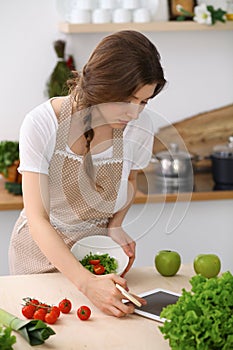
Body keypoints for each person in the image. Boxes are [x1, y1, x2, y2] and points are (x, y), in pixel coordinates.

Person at [9, 30, 166, 317]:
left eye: (143, 102)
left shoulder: (138, 128)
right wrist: (86, 283)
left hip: (95, 255)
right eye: (128, 100)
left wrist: (115, 225)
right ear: (103, 87)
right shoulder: (42, 123)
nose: (135, 113)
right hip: (39, 256)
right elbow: (37, 218)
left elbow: (129, 180)